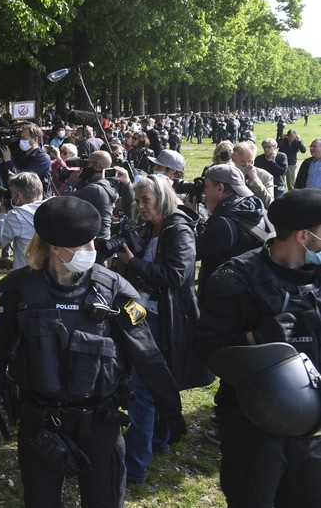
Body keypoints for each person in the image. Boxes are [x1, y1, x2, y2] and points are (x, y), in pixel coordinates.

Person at [0, 196, 185, 507]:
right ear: (55, 247)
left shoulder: (114, 290)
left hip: (100, 419)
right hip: (41, 420)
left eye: (92, 242)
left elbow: (147, 353)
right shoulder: (19, 292)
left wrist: (170, 407)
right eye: (83, 245)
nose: (92, 251)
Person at [195, 189, 321, 507]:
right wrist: (260, 336)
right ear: (303, 236)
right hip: (256, 424)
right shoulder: (237, 278)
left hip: (315, 427)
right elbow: (207, 349)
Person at [116, 176, 213, 484]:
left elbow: (177, 275)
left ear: (162, 198)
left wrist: (133, 263)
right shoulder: (154, 227)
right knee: (156, 385)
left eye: (146, 200)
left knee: (142, 391)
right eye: (138, 200)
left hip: (165, 320)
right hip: (147, 315)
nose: (141, 206)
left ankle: (134, 467)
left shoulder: (178, 229)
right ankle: (160, 441)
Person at [195, 164, 268, 302]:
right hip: (249, 295)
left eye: (206, 186)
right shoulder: (256, 210)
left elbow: (190, 252)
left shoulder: (224, 224)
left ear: (220, 188)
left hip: (222, 302)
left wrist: (190, 217)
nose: (203, 191)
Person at [0, 171, 43, 270]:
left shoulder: (18, 215)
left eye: (11, 192)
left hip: (27, 274)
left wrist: (2, 214)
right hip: (52, 273)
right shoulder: (53, 208)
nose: (10, 196)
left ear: (18, 195)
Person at [0, 123, 52, 191]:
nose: (21, 141)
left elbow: (25, 179)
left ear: (35, 139)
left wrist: (8, 162)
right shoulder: (21, 155)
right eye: (21, 138)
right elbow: (7, 180)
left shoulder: (43, 158)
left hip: (37, 198)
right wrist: (2, 163)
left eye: (24, 138)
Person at [233, 141, 274, 208]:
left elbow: (269, 203)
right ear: (233, 158)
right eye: (242, 162)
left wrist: (255, 180)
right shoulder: (227, 174)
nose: (246, 165)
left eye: (250, 161)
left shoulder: (265, 176)